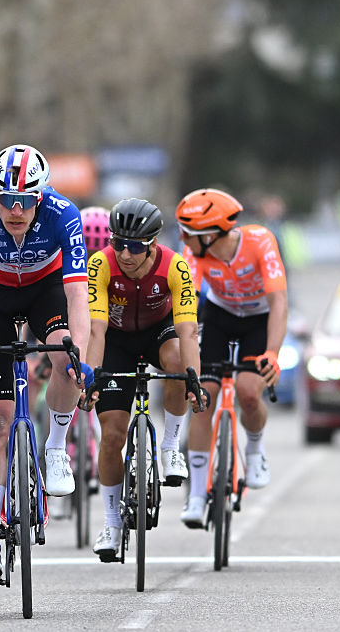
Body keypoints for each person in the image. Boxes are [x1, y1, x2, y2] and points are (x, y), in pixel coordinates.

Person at [0, 144, 93, 587]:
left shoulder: (64, 214)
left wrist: (78, 356)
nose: (14, 209)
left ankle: (55, 447)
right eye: (6, 199)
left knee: (64, 355)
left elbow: (77, 296)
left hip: (44, 291)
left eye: (25, 201)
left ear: (41, 197)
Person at [82, 198, 203, 560]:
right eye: (118, 243)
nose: (125, 254)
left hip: (159, 333)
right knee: (112, 436)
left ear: (152, 245)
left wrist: (192, 378)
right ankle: (112, 522)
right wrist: (90, 378)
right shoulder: (101, 264)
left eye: (135, 247)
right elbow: (96, 331)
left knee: (178, 361)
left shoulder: (175, 266)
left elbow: (187, 330)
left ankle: (169, 447)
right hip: (115, 339)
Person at [175, 188, 286, 527]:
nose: (181, 238)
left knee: (249, 393)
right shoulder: (194, 254)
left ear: (209, 234)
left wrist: (272, 353)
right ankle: (196, 495)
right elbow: (187, 306)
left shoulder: (260, 241)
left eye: (187, 232)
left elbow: (279, 302)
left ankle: (254, 450)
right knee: (202, 400)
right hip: (220, 316)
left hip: (258, 318)